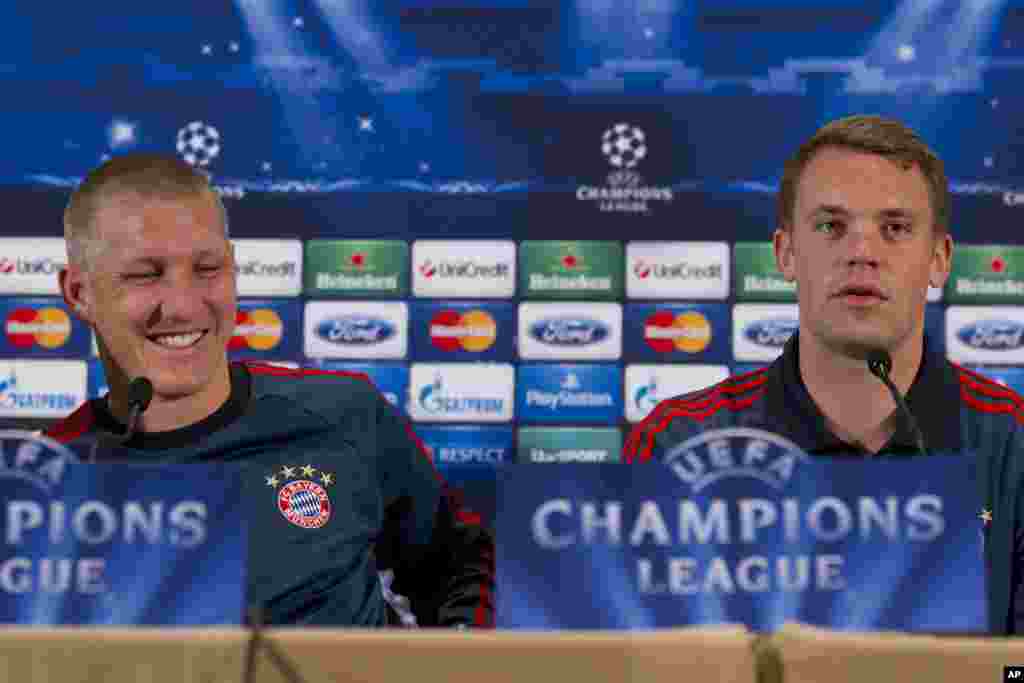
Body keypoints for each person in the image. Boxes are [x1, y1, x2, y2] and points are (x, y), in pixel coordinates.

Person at [46, 153, 494, 628]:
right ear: (80, 293)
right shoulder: (50, 477)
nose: (181, 305)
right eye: (145, 274)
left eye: (207, 268)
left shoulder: (344, 414)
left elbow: (463, 563)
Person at [624, 114, 1024, 635]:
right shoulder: (678, 440)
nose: (862, 253)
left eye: (895, 229)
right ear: (786, 253)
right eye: (831, 226)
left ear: (939, 259)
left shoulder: (1012, 441)